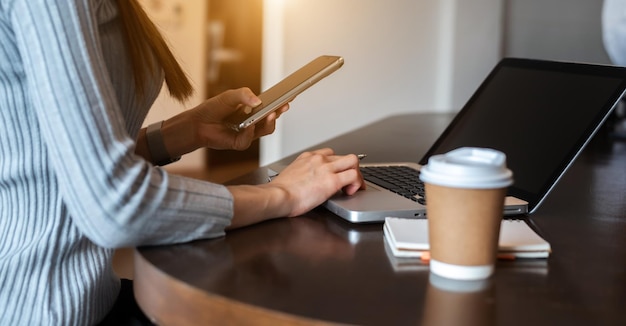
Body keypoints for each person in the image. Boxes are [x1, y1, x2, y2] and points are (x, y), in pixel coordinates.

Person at [0, 0, 365, 325]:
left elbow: (53, 161)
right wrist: (284, 194)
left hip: (92, 299)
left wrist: (187, 131)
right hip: (35, 308)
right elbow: (113, 203)